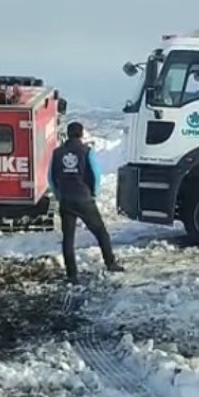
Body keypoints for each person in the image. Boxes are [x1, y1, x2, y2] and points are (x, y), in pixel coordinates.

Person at [48, 121, 123, 283]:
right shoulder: (87, 151)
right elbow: (95, 174)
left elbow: (51, 178)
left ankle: (72, 275)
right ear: (81, 134)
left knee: (68, 239)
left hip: (66, 200)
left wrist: (59, 194)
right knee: (101, 232)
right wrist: (93, 193)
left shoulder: (57, 153)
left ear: (68, 134)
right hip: (84, 199)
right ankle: (110, 263)